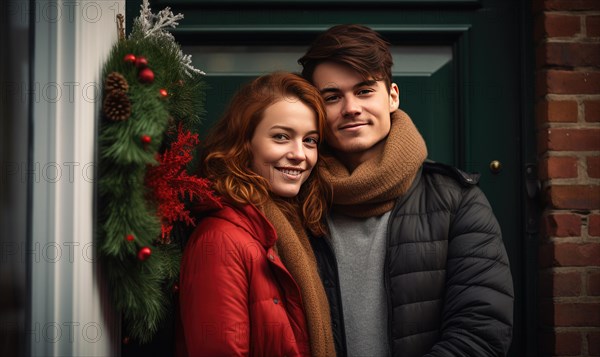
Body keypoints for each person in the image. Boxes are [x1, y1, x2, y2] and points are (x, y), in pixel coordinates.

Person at [298, 24, 514, 357]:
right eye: (332, 97)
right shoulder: (292, 201)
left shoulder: (457, 200)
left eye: (365, 90)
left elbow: (481, 330)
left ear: (393, 96)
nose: (351, 107)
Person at [177, 72, 336, 356]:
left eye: (310, 140)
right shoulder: (221, 240)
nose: (300, 154)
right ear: (245, 142)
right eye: (281, 137)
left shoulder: (294, 230)